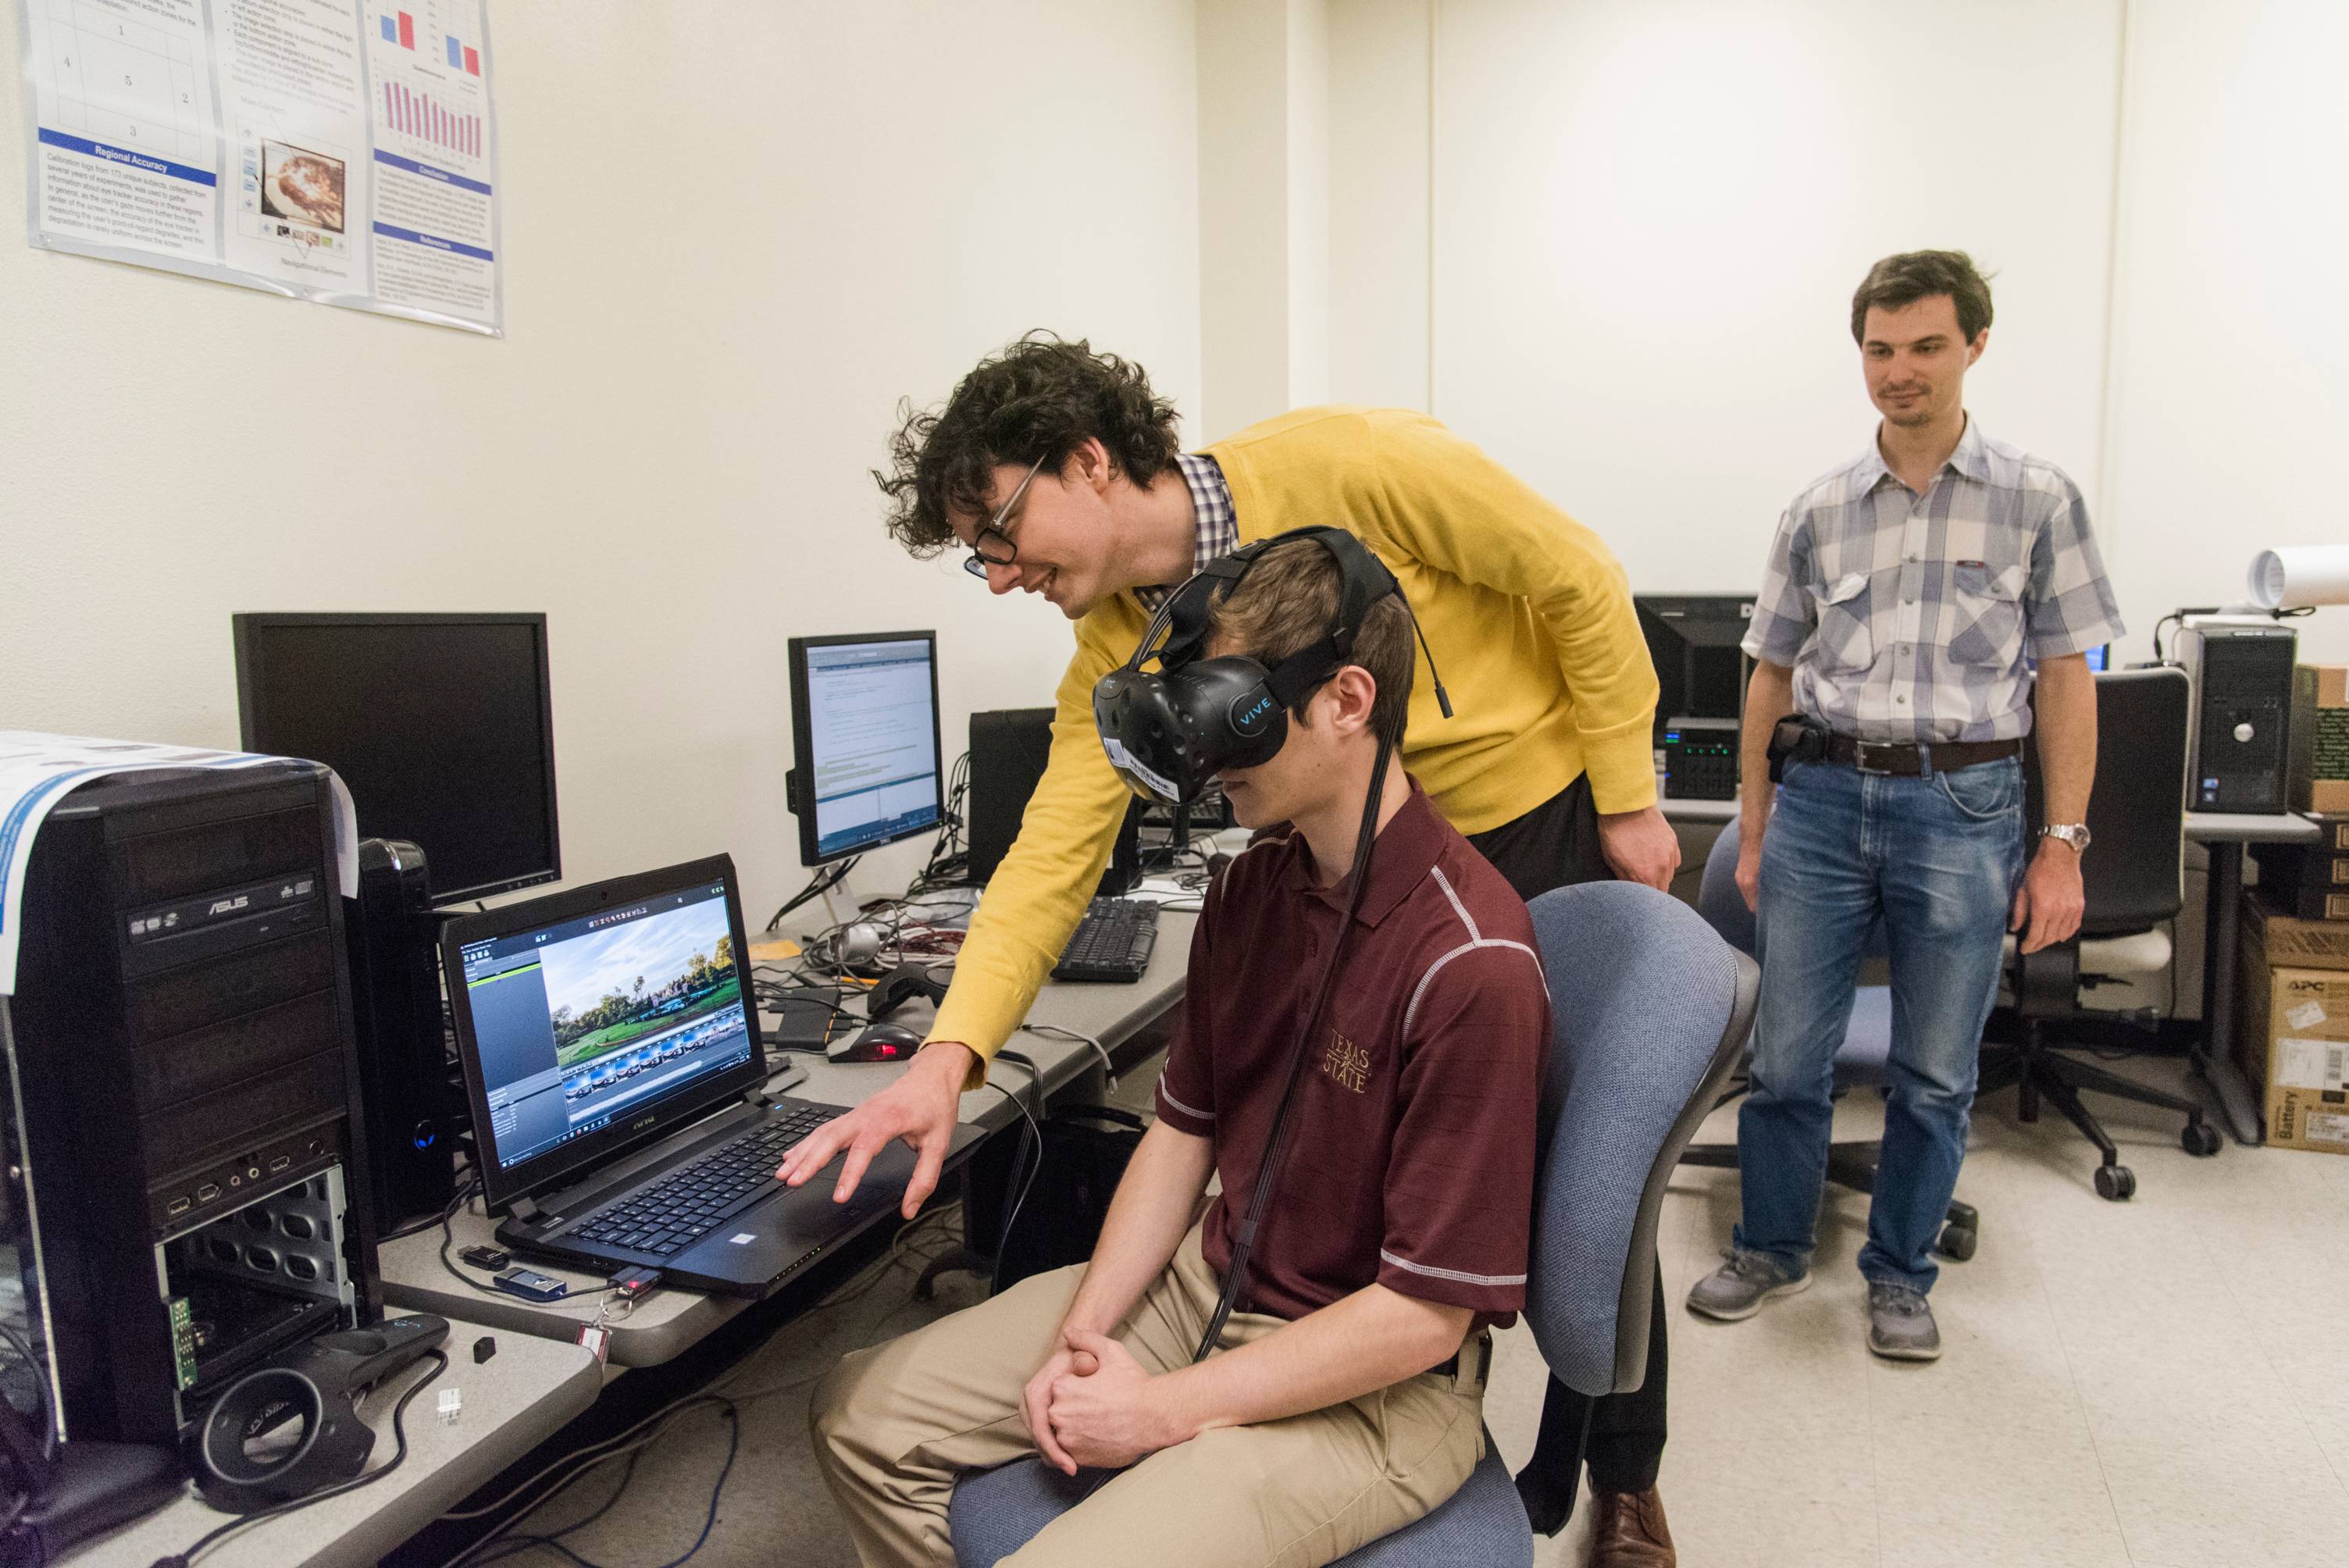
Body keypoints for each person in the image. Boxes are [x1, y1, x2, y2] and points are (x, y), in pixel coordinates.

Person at [779, 336, 1684, 1558]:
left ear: (1089, 463)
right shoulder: (1125, 641)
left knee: (1584, 1178)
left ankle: (1619, 1472)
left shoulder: (1352, 464)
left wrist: (1629, 801)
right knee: (1315, 1146)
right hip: (1310, 832)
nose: (995, 575)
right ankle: (1287, 1335)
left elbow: (1579, 576)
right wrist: (949, 1055)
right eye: (973, 556)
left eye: (997, 528)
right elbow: (1050, 858)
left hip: (1518, 810)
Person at [808, 538, 1550, 1566]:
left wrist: (1156, 1412)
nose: (1206, 762)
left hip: (1375, 1387)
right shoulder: (1250, 890)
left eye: (1231, 717)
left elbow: (1422, 1319)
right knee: (860, 1413)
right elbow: (1179, 1135)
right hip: (1210, 1286)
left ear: (1346, 701)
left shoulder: (1471, 963)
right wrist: (1092, 1330)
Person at [1686, 251, 2123, 1360]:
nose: (1900, 372)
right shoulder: (1821, 508)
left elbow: (2068, 677)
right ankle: (1773, 1249)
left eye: (1925, 346)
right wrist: (1757, 816)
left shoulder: (2038, 497)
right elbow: (1770, 674)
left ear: (1975, 344)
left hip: (1966, 806)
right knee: (1787, 1059)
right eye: (1880, 350)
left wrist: (2063, 843)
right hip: (1823, 801)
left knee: (1936, 1068)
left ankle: (1900, 1274)